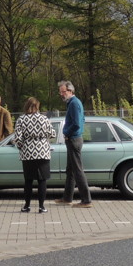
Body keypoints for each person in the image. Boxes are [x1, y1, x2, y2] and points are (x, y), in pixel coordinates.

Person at [12, 96, 56, 213]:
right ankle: (42, 207)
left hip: (28, 153)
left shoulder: (21, 119)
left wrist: (22, 147)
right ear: (38, 106)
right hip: (43, 152)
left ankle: (27, 206)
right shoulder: (44, 119)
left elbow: (18, 138)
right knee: (42, 180)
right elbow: (53, 134)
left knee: (28, 181)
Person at [54, 80, 92, 208]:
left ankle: (86, 200)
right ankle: (67, 197)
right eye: (60, 92)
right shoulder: (73, 103)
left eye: (63, 92)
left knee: (77, 170)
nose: (61, 94)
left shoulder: (74, 103)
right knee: (70, 170)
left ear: (70, 91)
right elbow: (82, 119)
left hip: (73, 139)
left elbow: (77, 123)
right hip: (73, 139)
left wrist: (67, 133)